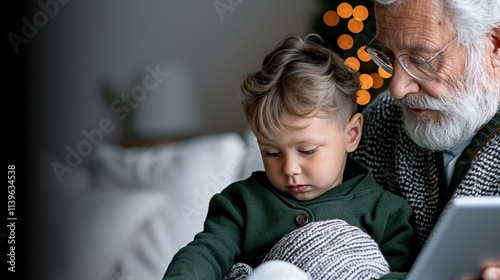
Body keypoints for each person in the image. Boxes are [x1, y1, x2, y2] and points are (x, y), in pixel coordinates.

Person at [162, 33, 415, 280]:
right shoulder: (241, 204)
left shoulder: (387, 212)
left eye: (307, 151)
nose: (290, 168)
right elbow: (206, 253)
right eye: (271, 152)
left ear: (351, 135)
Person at [350, 0, 500, 279]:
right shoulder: (382, 120)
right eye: (389, 56)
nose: (396, 88)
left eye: (420, 61)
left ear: (495, 44)